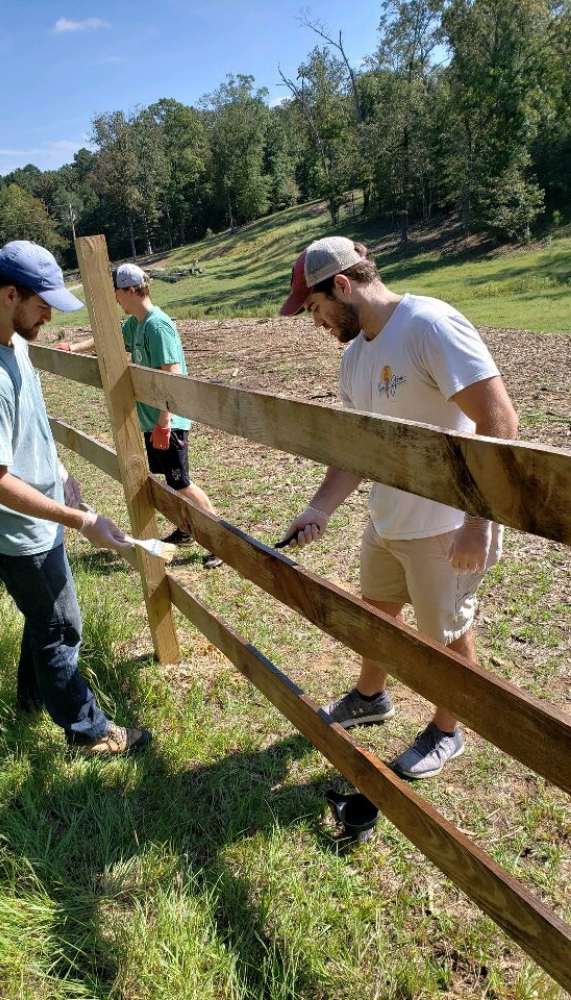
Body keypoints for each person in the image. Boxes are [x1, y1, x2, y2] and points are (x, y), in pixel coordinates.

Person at [279, 236, 518, 780]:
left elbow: (499, 422)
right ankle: (371, 696)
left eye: (316, 308)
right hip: (387, 517)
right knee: (376, 611)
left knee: (447, 633)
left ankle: (448, 730)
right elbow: (354, 452)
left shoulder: (429, 326)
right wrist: (319, 508)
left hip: (446, 525)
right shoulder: (356, 359)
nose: (317, 322)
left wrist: (477, 521)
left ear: (343, 285)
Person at [0, 240, 150, 755]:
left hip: (29, 518)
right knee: (60, 625)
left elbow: (30, 421)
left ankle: (32, 698)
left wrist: (58, 471)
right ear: (10, 295)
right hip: (14, 529)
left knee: (43, 616)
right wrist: (80, 520)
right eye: (42, 306)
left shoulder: (12, 342)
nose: (48, 320)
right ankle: (88, 732)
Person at [57, 262, 223, 569]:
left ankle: (218, 539)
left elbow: (171, 379)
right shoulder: (137, 323)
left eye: (117, 292)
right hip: (153, 422)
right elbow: (109, 339)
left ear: (132, 290)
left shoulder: (158, 326)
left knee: (181, 481)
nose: (116, 299)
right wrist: (74, 348)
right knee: (170, 483)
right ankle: (187, 530)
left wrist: (164, 423)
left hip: (167, 421)